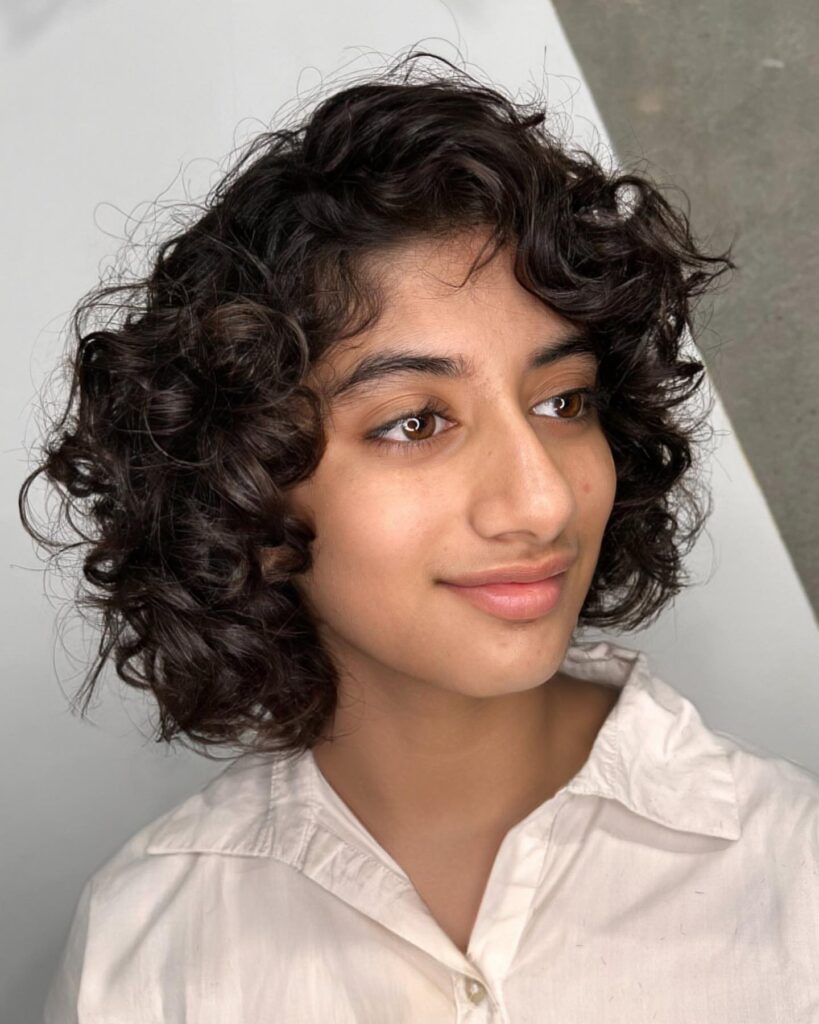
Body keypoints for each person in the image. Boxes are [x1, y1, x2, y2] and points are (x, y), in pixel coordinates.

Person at [22, 51, 818, 1023]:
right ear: (248, 491)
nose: (540, 500)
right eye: (415, 422)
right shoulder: (144, 952)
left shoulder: (793, 873)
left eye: (564, 400)